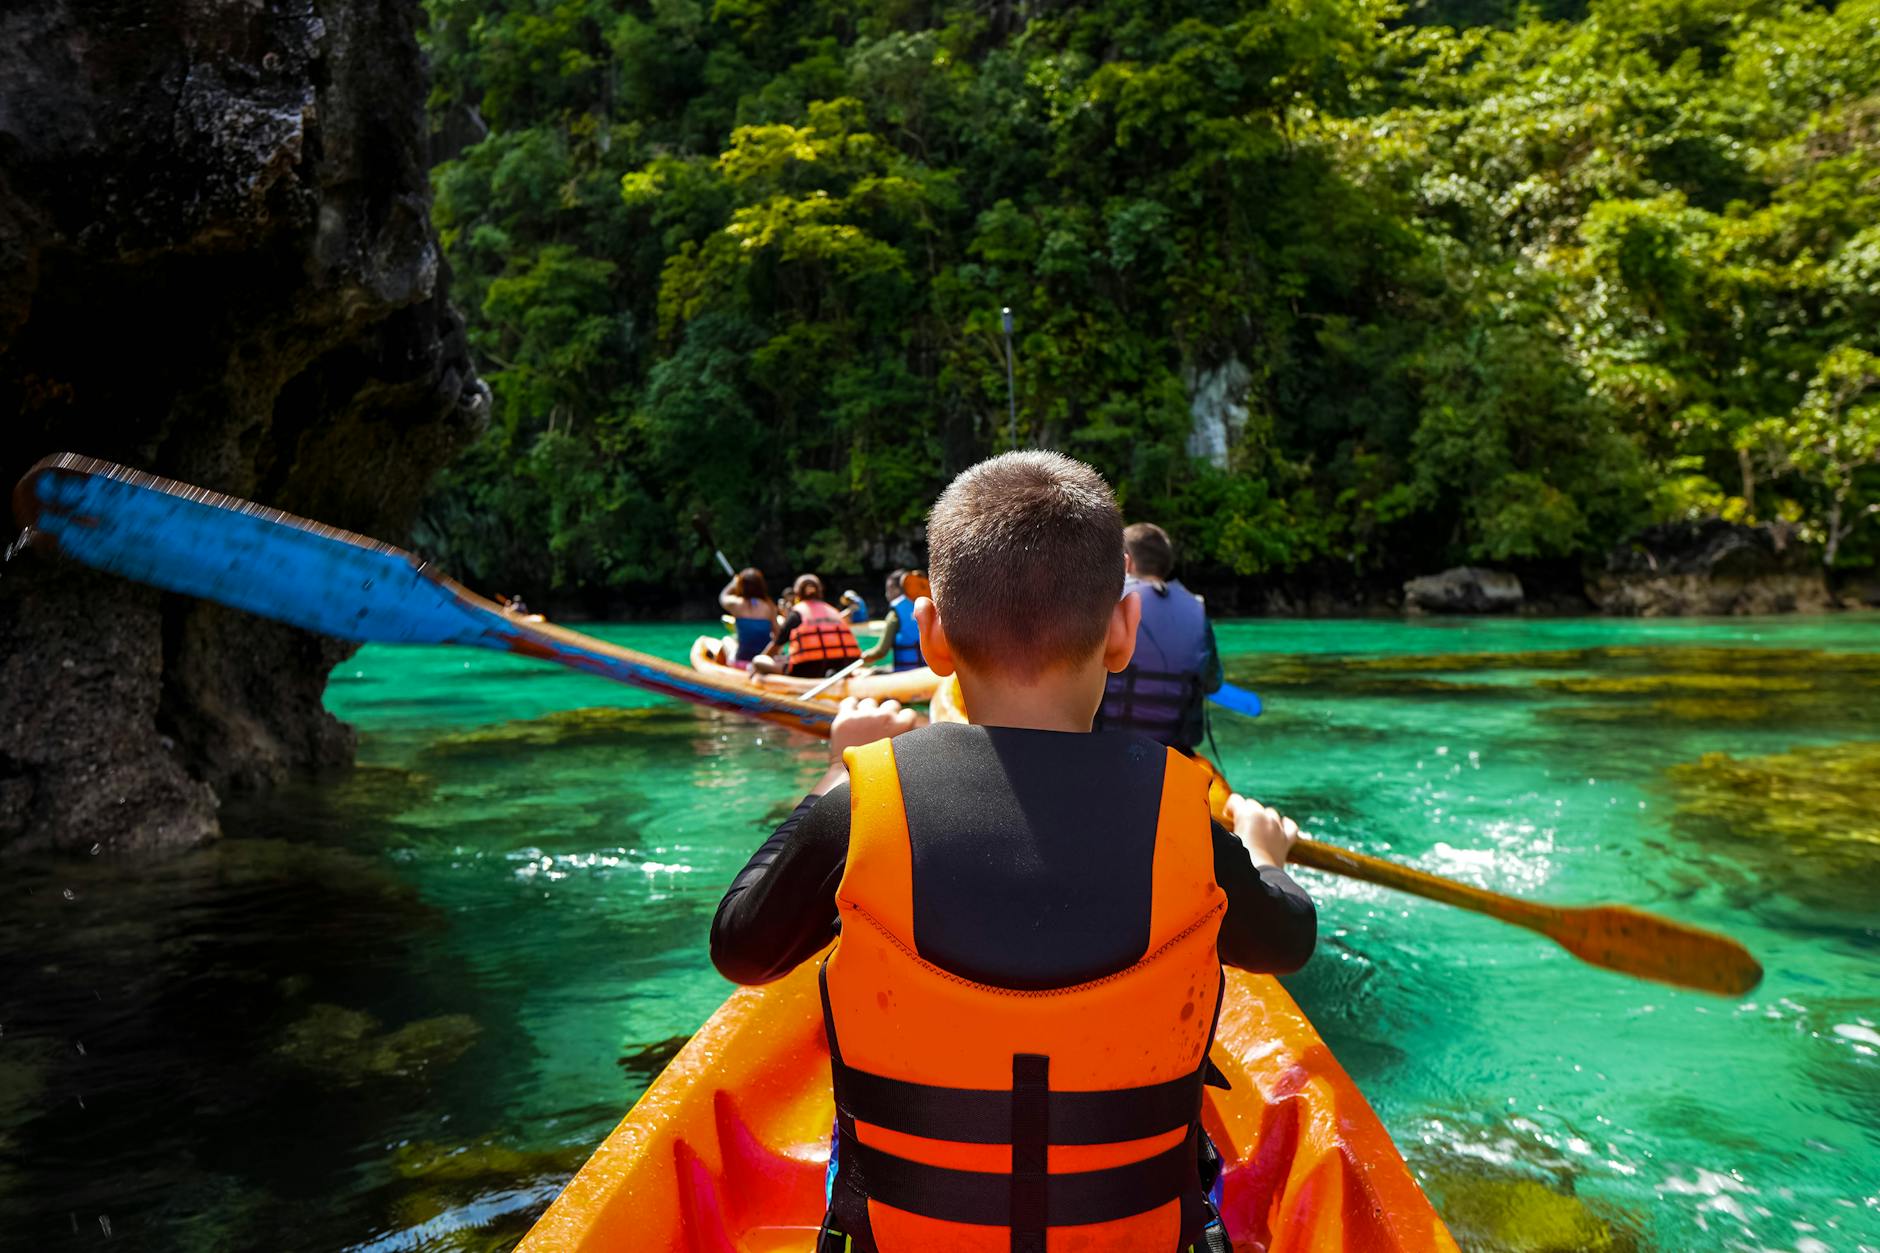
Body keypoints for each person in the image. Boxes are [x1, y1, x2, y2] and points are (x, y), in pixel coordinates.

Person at [712, 451, 1314, 1253]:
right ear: (1123, 631)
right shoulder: (1183, 814)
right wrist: (1267, 857)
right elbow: (1289, 939)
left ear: (931, 635)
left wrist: (833, 773)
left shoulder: (862, 801)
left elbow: (741, 946)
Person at [1093, 522, 1222, 752]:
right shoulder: (1196, 609)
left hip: (1109, 746)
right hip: (1173, 752)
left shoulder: (1107, 602)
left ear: (1127, 561)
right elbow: (1213, 683)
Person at [750, 574, 862, 678]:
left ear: (798, 594)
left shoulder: (797, 614)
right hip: (843, 667)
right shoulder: (834, 612)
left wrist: (756, 665)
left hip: (807, 670)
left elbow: (775, 647)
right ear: (820, 592)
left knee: (758, 660)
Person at [859, 568, 928, 672]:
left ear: (898, 589)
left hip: (907, 673)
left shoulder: (895, 613)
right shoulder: (928, 605)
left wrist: (865, 656)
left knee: (874, 672)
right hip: (930, 671)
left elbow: (881, 652)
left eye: (889, 589)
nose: (887, 594)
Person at [717, 568, 779, 668]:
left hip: (742, 661)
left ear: (742, 585)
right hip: (764, 661)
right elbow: (778, 635)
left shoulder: (736, 604)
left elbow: (722, 597)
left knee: (726, 640)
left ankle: (724, 668)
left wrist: (733, 583)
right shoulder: (769, 606)